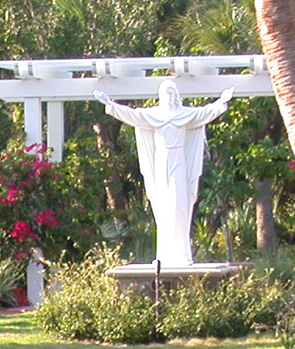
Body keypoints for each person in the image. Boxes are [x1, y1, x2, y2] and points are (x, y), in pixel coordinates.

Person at [94, 80, 234, 267]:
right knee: (163, 206)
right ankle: (165, 253)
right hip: (161, 161)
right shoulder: (153, 114)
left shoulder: (184, 114)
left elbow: (205, 112)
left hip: (178, 160)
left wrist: (221, 102)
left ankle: (182, 253)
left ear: (176, 95)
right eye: (165, 93)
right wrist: (110, 105)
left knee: (179, 204)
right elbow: (133, 115)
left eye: (171, 93)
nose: (169, 97)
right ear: (160, 96)